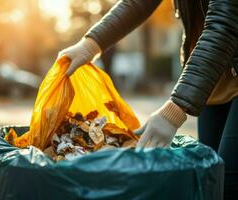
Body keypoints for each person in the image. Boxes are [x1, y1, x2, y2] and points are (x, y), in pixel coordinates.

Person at [57, 0, 238, 199]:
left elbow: (225, 23)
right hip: (215, 80)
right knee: (211, 181)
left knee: (228, 184)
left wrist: (174, 111)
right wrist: (90, 45)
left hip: (218, 64)